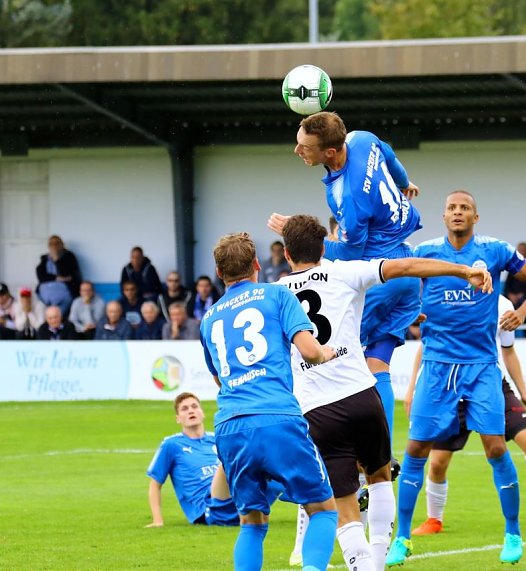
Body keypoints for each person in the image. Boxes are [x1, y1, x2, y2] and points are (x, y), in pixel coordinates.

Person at [278, 214, 492, 571]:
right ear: (324, 248)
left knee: (344, 505)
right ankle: (377, 561)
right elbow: (407, 265)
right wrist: (462, 271)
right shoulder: (346, 272)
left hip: (316, 408)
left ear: (286, 255)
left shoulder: (276, 294)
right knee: (378, 480)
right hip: (362, 396)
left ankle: (359, 566)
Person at [386, 190, 526, 567]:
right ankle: (403, 538)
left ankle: (512, 533)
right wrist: (407, 314)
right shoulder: (426, 251)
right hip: (437, 366)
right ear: (443, 217)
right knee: (415, 451)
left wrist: (522, 312)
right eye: (451, 208)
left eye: (464, 208)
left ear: (476, 217)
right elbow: (395, 284)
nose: (457, 212)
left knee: (495, 447)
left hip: (480, 367)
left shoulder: (495, 250)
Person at [268, 111, 422, 443]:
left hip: (382, 276)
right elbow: (390, 153)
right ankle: (382, 456)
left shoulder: (345, 196)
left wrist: (300, 236)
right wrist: (403, 183)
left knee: (328, 357)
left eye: (304, 147)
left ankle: (333, 450)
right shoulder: (361, 138)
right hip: (407, 270)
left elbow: (350, 255)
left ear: (331, 153)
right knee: (377, 364)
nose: (298, 152)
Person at [199, 231, 339, 571]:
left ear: (220, 274)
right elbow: (309, 350)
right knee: (324, 509)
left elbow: (220, 376)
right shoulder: (276, 295)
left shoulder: (208, 319)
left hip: (230, 425)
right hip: (276, 416)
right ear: (257, 264)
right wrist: (326, 352)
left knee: (252, 522)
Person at [406, 294, 526, 538]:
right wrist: (412, 389)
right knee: (437, 462)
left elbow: (508, 352)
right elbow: (426, 347)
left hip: (490, 385)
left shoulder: (503, 305)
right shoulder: (445, 296)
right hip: (451, 389)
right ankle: (434, 519)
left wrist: (524, 393)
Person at [146, 392, 285, 528]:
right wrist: (158, 520)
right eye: (184, 408)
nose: (191, 411)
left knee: (280, 462)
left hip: (237, 496)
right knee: (234, 455)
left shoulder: (216, 439)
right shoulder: (172, 444)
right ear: (178, 418)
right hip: (211, 506)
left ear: (202, 412)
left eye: (194, 406)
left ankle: (303, 507)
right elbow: (155, 483)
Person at [35, 235, 82, 316]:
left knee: (55, 316)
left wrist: (56, 259)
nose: (54, 246)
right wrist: (57, 278)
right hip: (44, 299)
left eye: (57, 243)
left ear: (62, 245)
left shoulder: (69, 256)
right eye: (51, 244)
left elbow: (67, 274)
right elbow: (40, 276)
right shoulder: (45, 258)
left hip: (64, 298)